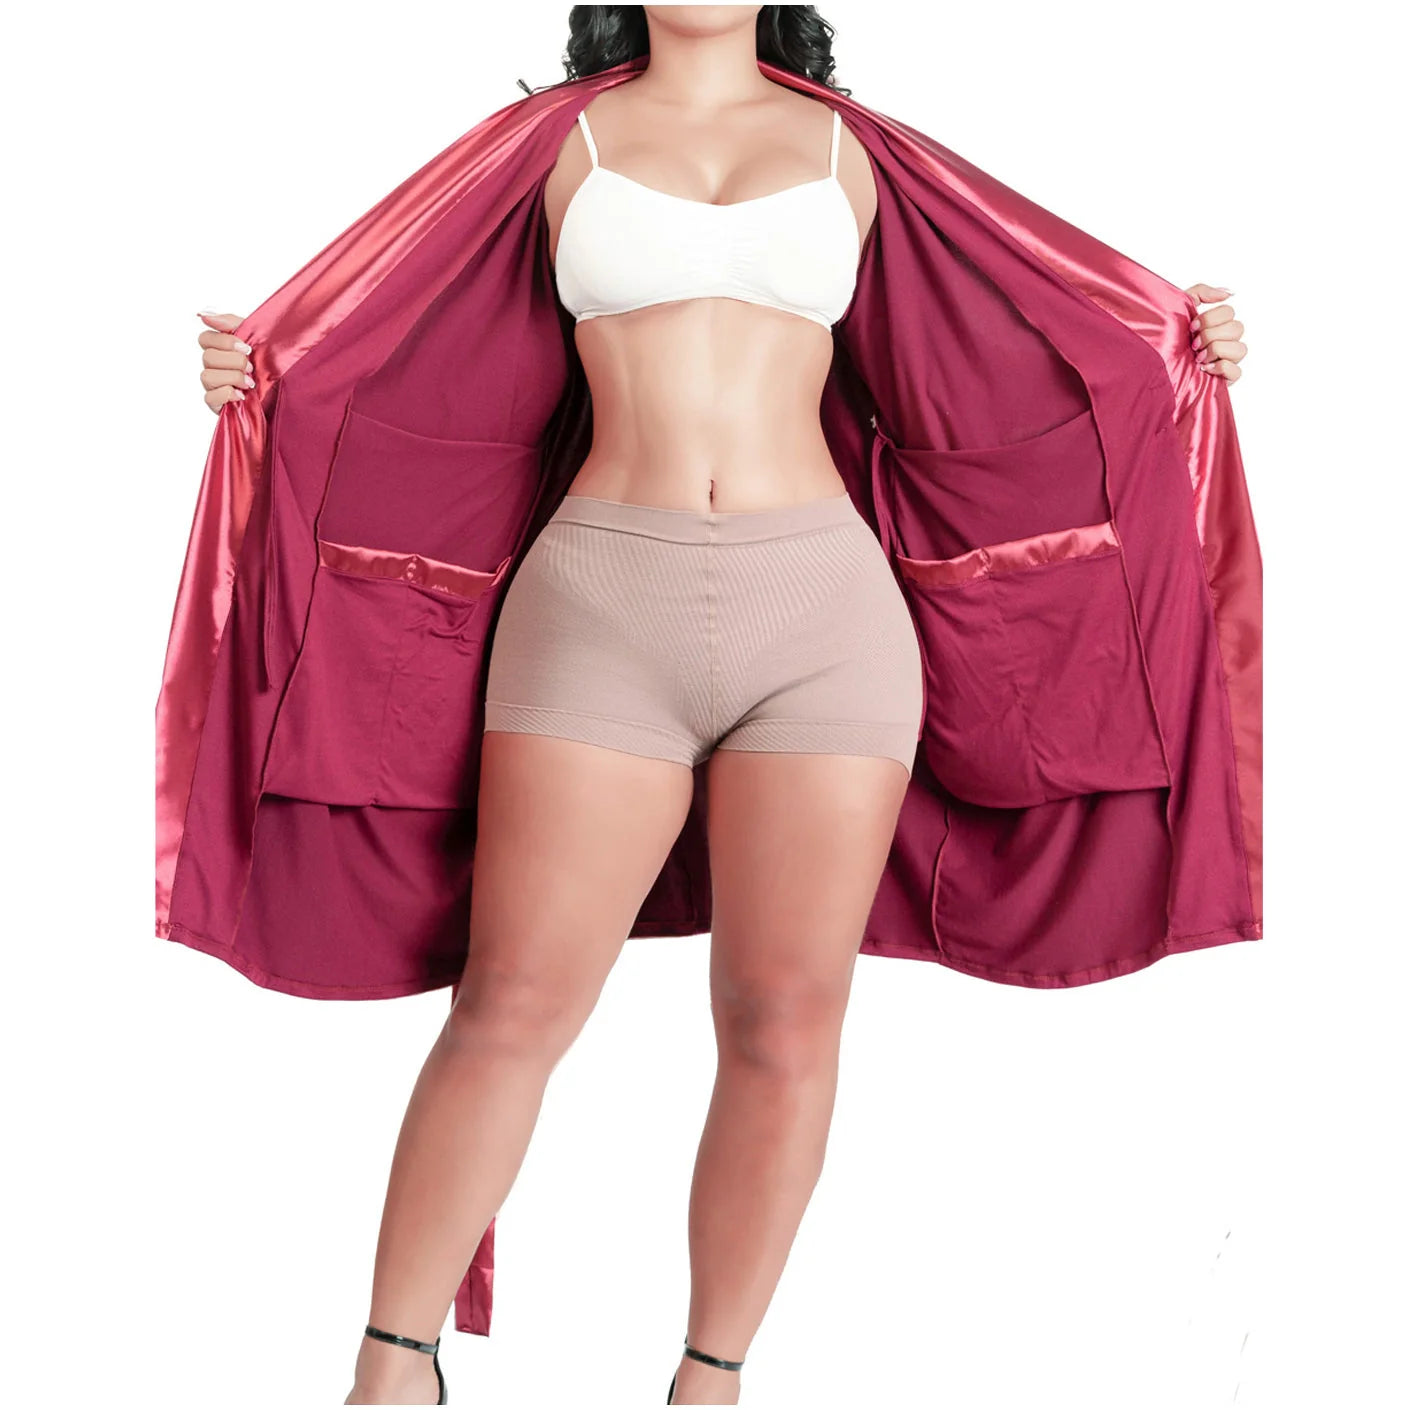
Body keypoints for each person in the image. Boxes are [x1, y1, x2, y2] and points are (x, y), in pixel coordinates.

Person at [190, 8, 1250, 1406]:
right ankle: (392, 1370)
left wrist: (1179, 341)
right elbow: (400, 332)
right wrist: (263, 369)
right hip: (596, 605)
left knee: (784, 1015)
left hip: (824, 616)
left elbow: (1015, 334)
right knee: (512, 999)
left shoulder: (859, 153)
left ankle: (710, 1383)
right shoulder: (547, 147)